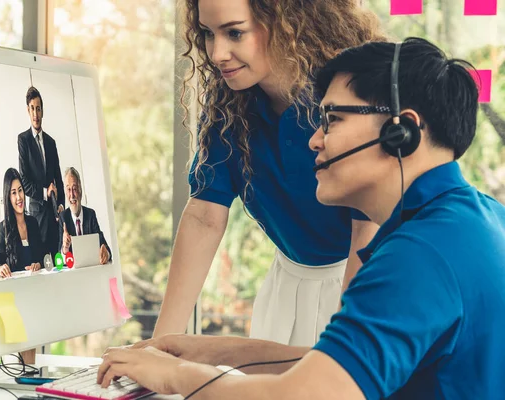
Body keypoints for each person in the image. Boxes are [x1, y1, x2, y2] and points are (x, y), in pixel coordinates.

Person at [97, 37, 505, 399]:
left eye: (332, 120)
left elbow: (309, 393)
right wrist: (211, 352)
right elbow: (335, 368)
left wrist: (177, 377)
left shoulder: (416, 256)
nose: (314, 139)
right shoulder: (475, 220)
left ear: (402, 131)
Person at [153, 0, 384, 347]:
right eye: (207, 34)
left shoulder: (346, 97)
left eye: (234, 32)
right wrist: (159, 346)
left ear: (286, 19)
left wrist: (346, 341)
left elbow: (368, 225)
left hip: (363, 283)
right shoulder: (227, 107)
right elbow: (204, 217)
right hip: (286, 287)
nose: (217, 53)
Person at [18, 86, 64, 258]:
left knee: (58, 261)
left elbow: (58, 179)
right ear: (28, 111)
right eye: (32, 109)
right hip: (37, 216)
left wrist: (60, 206)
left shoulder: (51, 143)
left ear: (42, 111)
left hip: (54, 216)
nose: (36, 113)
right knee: (42, 262)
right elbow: (24, 182)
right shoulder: (24, 140)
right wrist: (45, 192)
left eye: (38, 108)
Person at [0, 168, 45, 278]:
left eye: (20, 190)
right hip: (17, 288)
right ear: (8, 197)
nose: (18, 197)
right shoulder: (4, 227)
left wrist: (39, 264)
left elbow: (43, 256)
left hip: (36, 282)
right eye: (13, 193)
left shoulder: (33, 222)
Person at [59, 167, 112, 264]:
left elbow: (106, 249)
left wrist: (106, 253)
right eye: (68, 189)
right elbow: (58, 262)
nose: (72, 195)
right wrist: (65, 249)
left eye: (74, 189)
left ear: (80, 190)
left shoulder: (90, 215)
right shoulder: (63, 218)